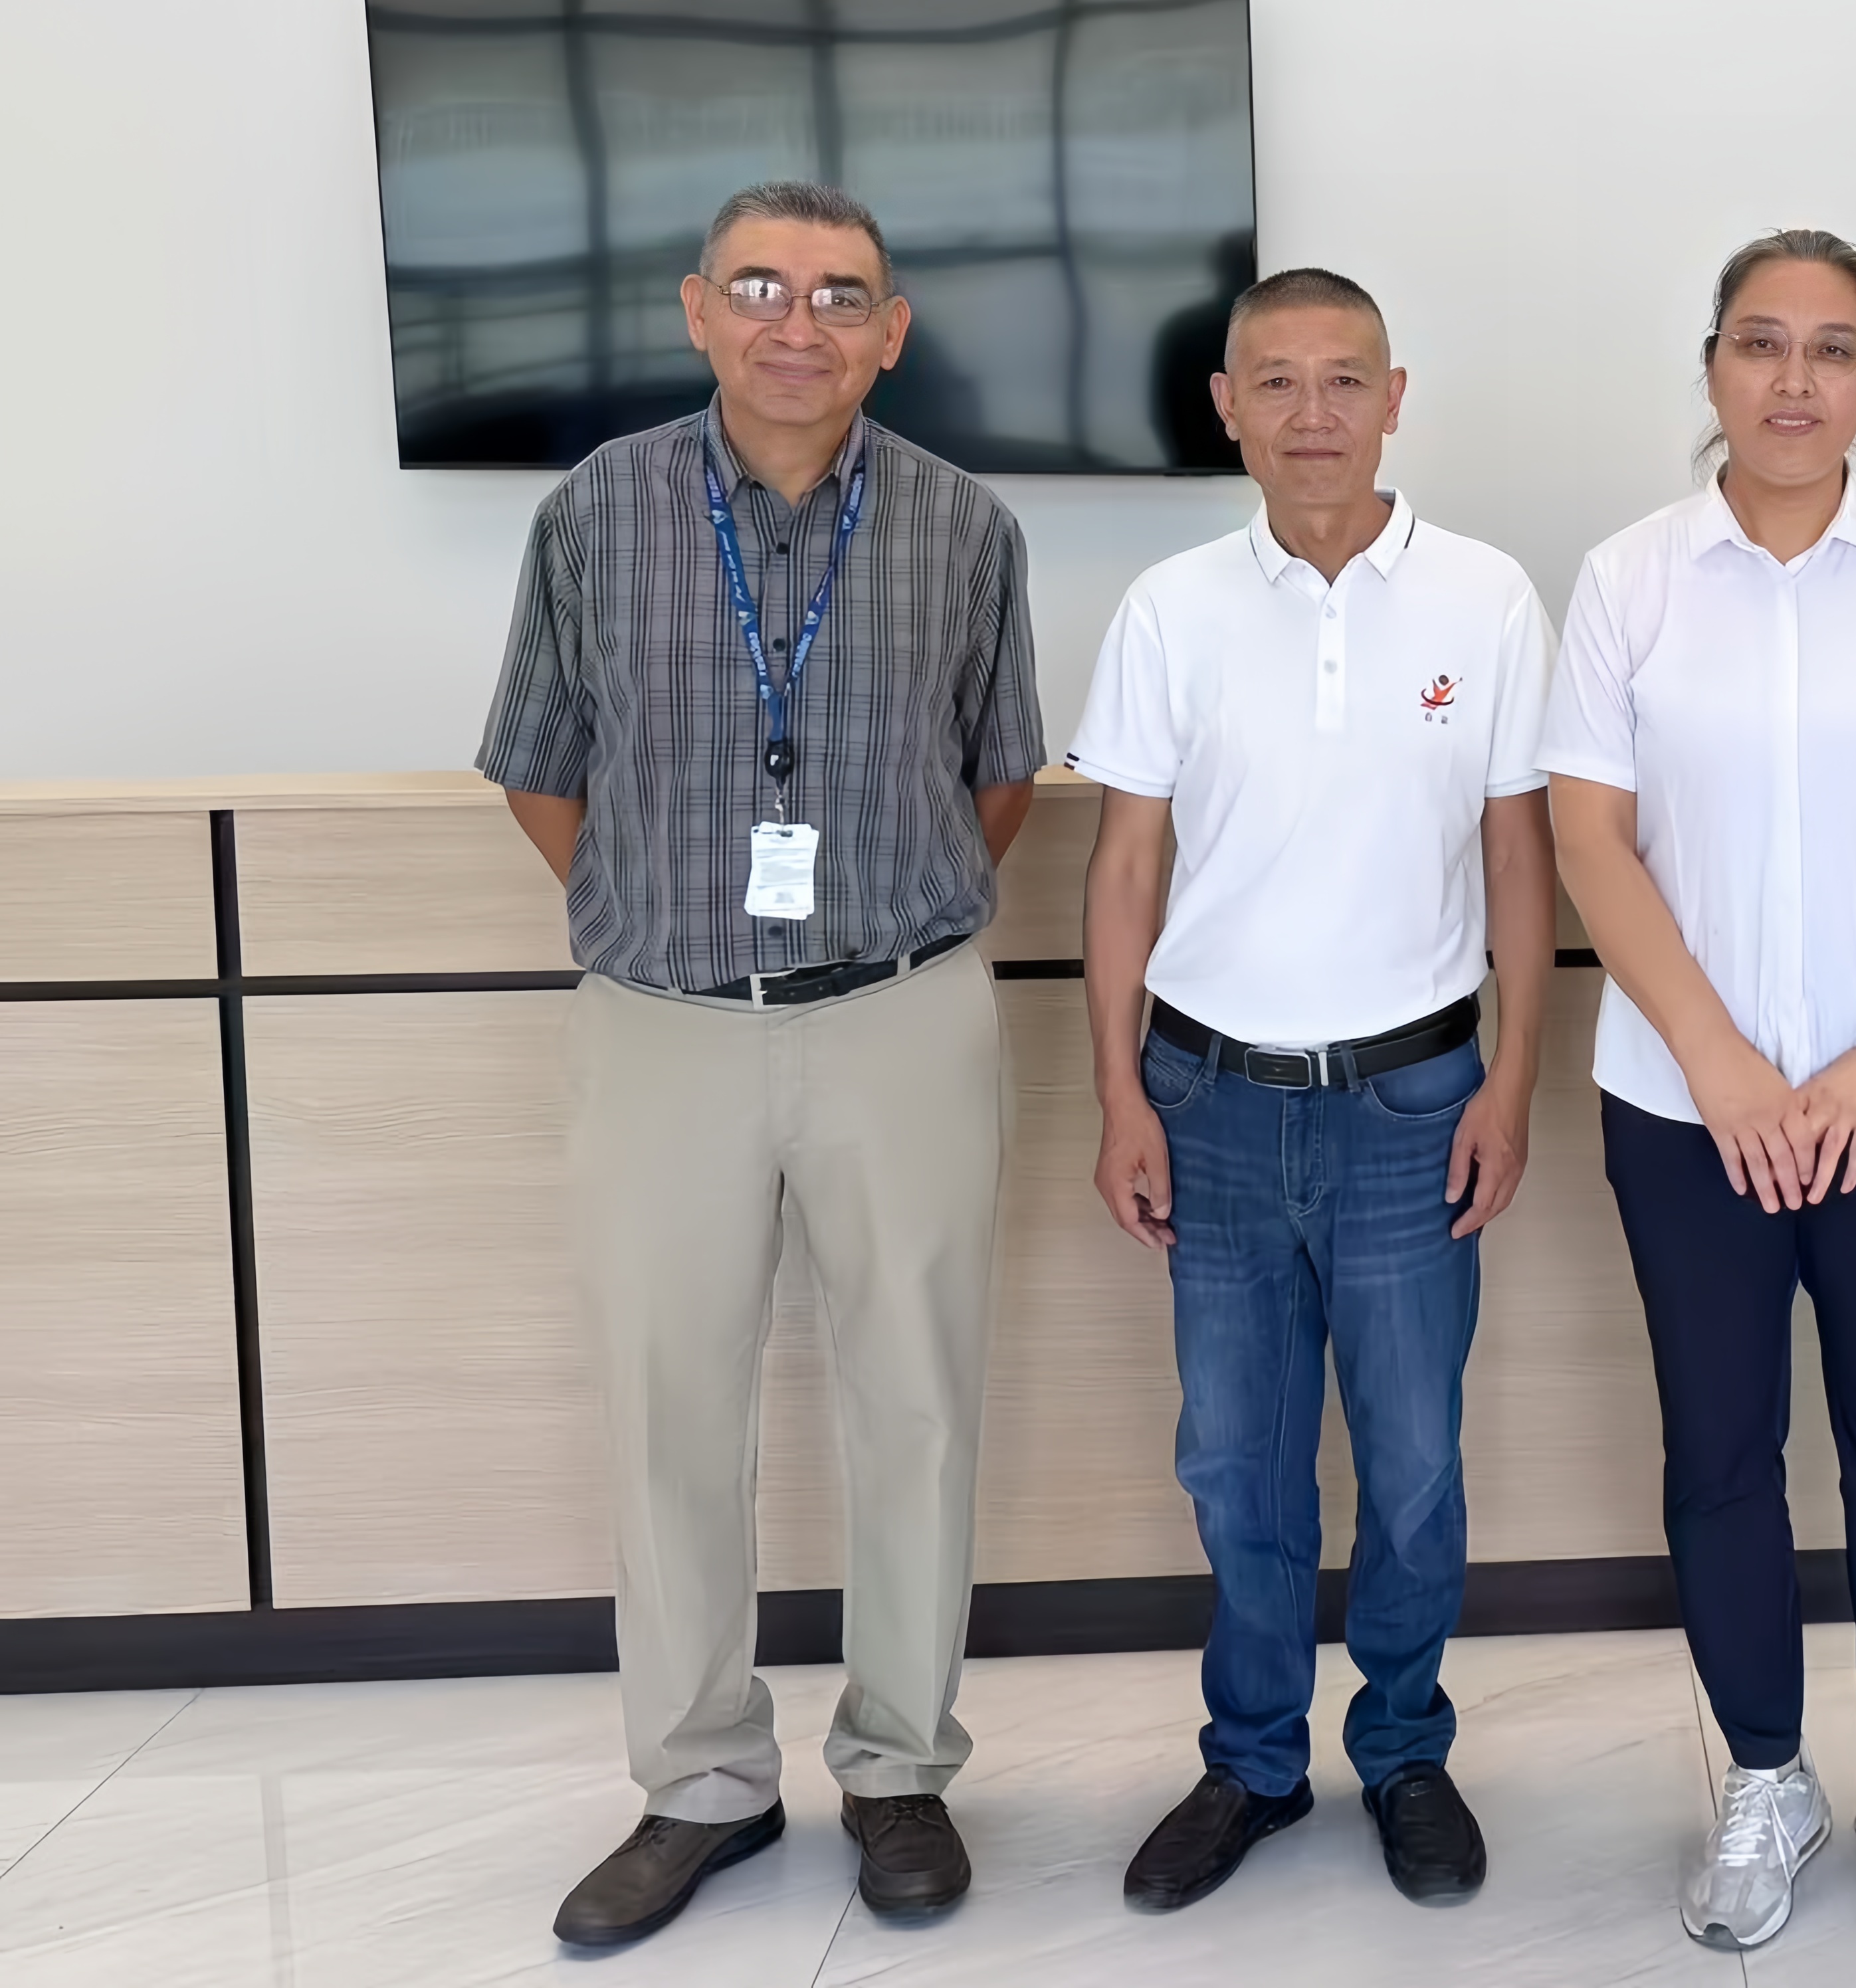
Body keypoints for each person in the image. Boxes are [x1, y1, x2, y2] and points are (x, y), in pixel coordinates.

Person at [480, 179, 1045, 1948]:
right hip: (663, 1024)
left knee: (919, 1403)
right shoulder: (598, 511)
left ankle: (901, 1768)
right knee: (669, 1409)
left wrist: (872, 924)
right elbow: (540, 768)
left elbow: (1000, 776)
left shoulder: (965, 525)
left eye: (840, 294)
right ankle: (700, 1782)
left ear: (892, 332)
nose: (799, 323)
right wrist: (664, 922)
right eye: (761, 287)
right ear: (697, 310)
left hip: (902, 1015)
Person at [1542, 229, 1856, 1957]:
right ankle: (1766, 1772)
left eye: (1834, 349)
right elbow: (1589, 838)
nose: (1795, 380)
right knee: (1719, 1447)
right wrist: (1723, 1065)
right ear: (1712, 367)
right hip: (1687, 1111)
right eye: (1762, 343)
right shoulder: (1630, 578)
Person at [1071, 268, 1557, 1914]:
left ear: (1395, 399)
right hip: (1208, 1102)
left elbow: (1518, 860)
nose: (1312, 415)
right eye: (1274, 383)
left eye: (1344, 380)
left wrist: (1512, 1083)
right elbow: (1122, 870)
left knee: (1413, 1463)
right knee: (1237, 1463)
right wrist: (1120, 1096)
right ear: (1227, 408)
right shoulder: (1170, 608)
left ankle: (1405, 1749)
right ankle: (1255, 1764)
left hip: (1414, 1102)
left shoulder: (1486, 598)